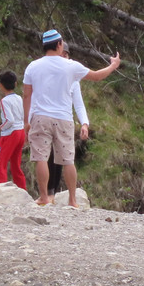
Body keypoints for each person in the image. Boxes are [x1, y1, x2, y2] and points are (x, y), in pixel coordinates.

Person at [22, 30, 119, 207]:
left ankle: (44, 197)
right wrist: (113, 66)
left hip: (40, 116)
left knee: (41, 158)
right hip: (64, 118)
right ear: (59, 45)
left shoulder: (33, 66)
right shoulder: (71, 66)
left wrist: (26, 121)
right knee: (67, 160)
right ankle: (73, 200)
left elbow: (26, 95)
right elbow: (97, 76)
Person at [45, 43, 88, 197]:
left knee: (64, 158)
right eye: (61, 55)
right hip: (45, 118)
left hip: (64, 120)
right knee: (45, 156)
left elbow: (79, 103)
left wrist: (84, 123)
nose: (63, 58)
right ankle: (46, 192)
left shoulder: (73, 80)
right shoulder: (44, 73)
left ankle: (55, 192)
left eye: (66, 55)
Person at [0, 70, 27, 189]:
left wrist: (1, 127)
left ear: (1, 85)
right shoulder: (19, 98)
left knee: (1, 163)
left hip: (10, 133)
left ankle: (0, 190)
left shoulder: (4, 101)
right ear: (15, 84)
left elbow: (9, 120)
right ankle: (22, 189)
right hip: (21, 131)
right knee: (15, 164)